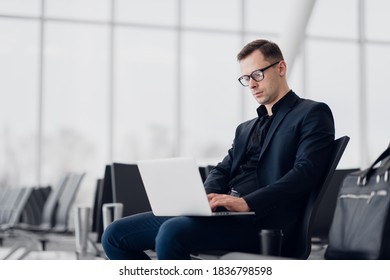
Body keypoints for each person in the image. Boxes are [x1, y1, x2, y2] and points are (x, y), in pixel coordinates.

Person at [101, 39, 335, 260]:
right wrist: (206, 199)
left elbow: (306, 173)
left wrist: (247, 203)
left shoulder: (312, 113)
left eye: (257, 74)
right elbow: (222, 170)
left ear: (281, 68)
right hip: (226, 214)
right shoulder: (245, 129)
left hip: (265, 221)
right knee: (114, 235)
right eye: (246, 78)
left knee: (172, 231)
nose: (252, 84)